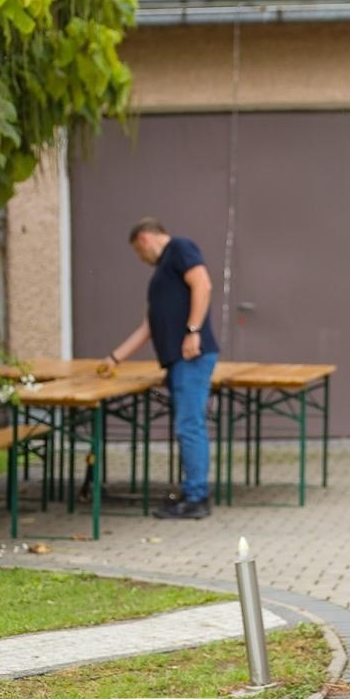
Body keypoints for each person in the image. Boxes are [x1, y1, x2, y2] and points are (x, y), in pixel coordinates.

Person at [100, 218, 220, 520]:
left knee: (189, 426)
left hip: (191, 357)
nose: (141, 260)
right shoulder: (163, 273)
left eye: (138, 253)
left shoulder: (180, 247)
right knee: (187, 426)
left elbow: (203, 283)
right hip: (178, 362)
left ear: (144, 239)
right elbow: (148, 327)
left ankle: (197, 498)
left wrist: (193, 330)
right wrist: (115, 358)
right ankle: (192, 492)